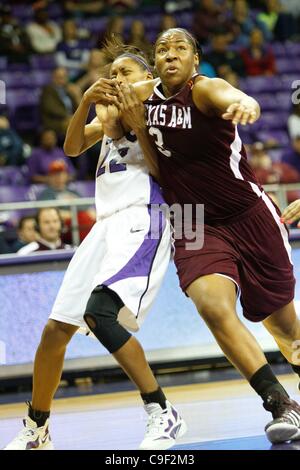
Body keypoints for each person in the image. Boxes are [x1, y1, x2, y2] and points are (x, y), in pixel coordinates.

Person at [114, 27, 300, 445]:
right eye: (162, 49)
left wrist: (245, 103)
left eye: (180, 48)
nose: (170, 55)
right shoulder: (142, 95)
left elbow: (232, 95)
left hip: (247, 213)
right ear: (155, 62)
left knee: (284, 326)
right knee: (211, 305)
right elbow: (98, 122)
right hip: (193, 218)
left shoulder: (204, 90)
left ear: (195, 60)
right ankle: (279, 403)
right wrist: (100, 100)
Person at [4, 42, 186, 451]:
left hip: (143, 217)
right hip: (104, 226)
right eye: (113, 73)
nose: (116, 79)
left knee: (100, 313)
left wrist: (132, 116)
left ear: (146, 78)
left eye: (125, 72)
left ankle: (162, 410)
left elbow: (163, 169)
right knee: (55, 331)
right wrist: (86, 100)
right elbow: (71, 148)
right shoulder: (106, 119)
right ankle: (38, 426)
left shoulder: (161, 112)